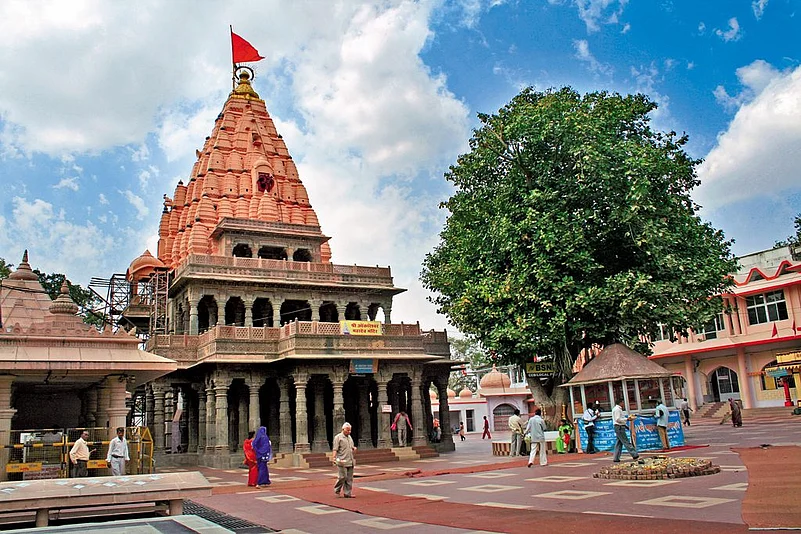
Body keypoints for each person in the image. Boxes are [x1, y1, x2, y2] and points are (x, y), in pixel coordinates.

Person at [332, 422, 357, 498]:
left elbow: (351, 447)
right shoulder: (338, 437)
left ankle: (347, 493)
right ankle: (337, 489)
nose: (349, 432)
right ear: (343, 429)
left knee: (349, 478)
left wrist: (354, 448)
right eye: (347, 430)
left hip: (350, 460)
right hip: (341, 460)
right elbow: (335, 449)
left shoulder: (350, 437)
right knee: (342, 477)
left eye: (350, 430)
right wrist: (333, 458)